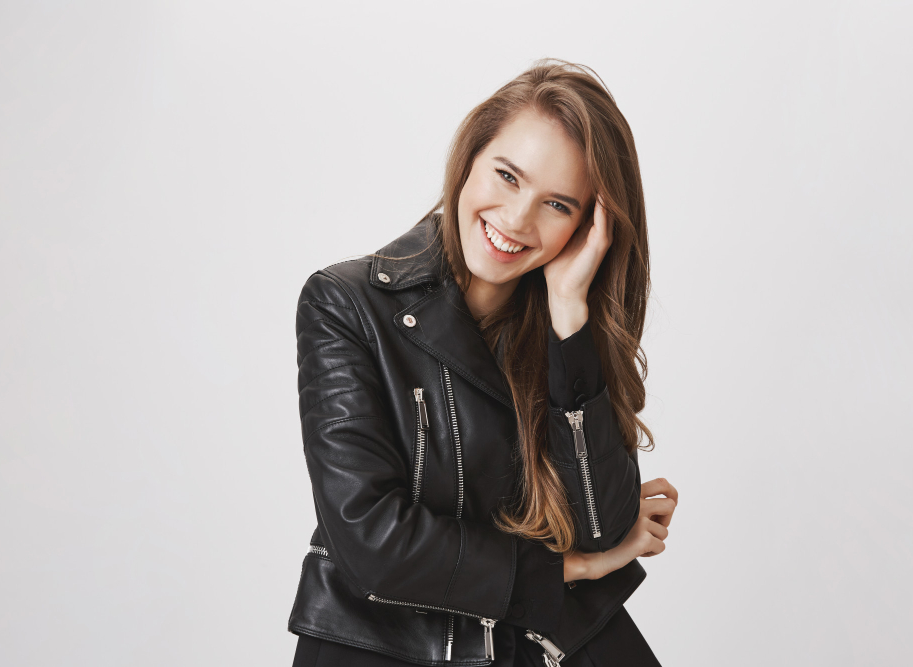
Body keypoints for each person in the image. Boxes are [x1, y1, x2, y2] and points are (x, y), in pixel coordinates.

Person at [288, 59, 678, 666]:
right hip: (385, 648)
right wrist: (565, 567)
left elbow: (603, 527)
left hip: (542, 644)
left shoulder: (569, 325)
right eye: (507, 175)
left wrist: (570, 315)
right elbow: (372, 542)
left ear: (586, 227)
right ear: (470, 156)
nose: (517, 220)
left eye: (557, 204)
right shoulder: (347, 304)